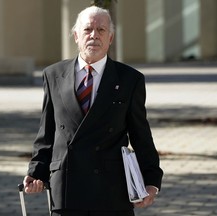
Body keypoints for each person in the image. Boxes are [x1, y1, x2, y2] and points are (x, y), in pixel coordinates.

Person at [23, 5, 163, 216]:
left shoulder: (130, 79)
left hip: (111, 189)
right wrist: (36, 173)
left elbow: (141, 134)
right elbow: (47, 132)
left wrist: (151, 180)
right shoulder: (53, 74)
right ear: (76, 36)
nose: (94, 36)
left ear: (111, 38)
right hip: (67, 188)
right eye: (88, 29)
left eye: (101, 30)